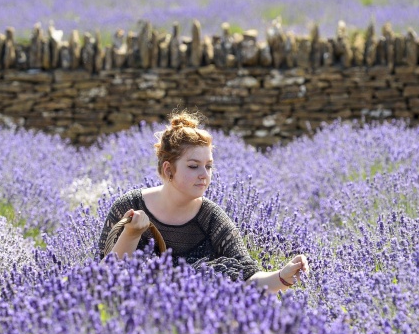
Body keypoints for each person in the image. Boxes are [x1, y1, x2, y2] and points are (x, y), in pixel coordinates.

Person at [98, 111, 309, 293]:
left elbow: (248, 276)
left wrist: (284, 276)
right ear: (168, 170)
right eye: (193, 166)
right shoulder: (129, 207)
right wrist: (131, 234)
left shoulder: (211, 218)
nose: (204, 175)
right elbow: (103, 278)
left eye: (208, 166)